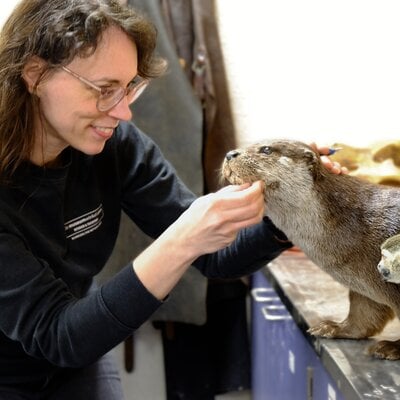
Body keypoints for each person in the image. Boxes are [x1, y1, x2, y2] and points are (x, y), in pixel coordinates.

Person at [0, 0, 346, 399]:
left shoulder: (114, 146)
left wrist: (290, 213)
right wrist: (183, 239)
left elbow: (215, 258)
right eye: (104, 90)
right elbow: (61, 336)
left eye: (129, 87)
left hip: (76, 364)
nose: (124, 111)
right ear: (35, 73)